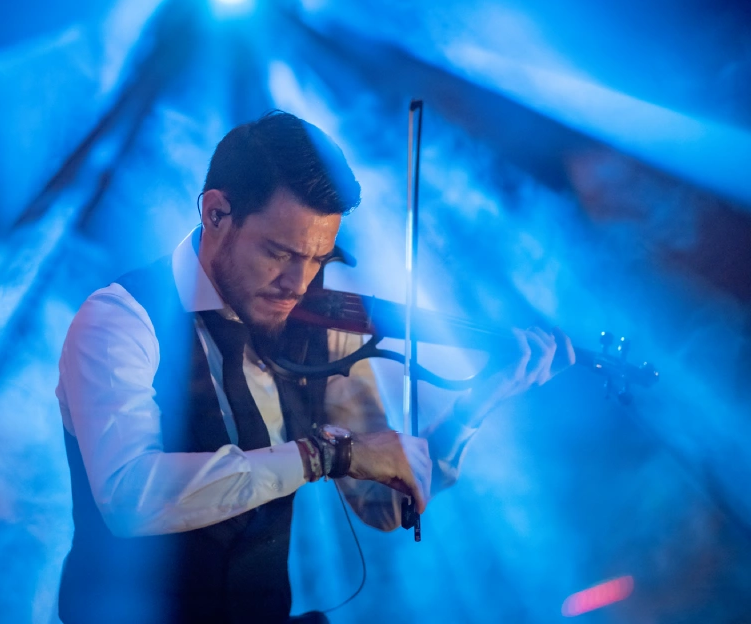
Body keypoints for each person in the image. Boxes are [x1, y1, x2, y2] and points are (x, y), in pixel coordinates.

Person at [55, 111, 574, 624]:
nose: (298, 285)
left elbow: (385, 505)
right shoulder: (120, 319)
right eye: (279, 253)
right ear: (216, 214)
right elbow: (129, 495)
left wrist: (474, 408)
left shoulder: (318, 331)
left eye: (318, 259)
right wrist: (321, 456)